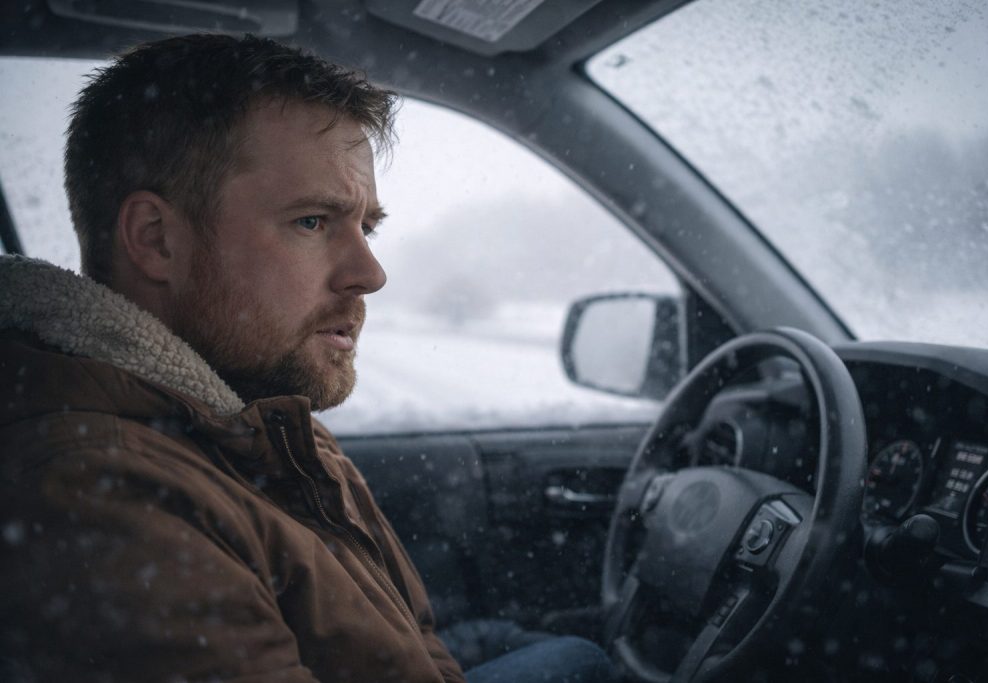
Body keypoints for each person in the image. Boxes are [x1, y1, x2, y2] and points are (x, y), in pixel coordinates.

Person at [0, 34, 611, 683]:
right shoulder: (93, 493)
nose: (370, 273)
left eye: (366, 227)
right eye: (313, 221)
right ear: (157, 241)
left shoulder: (255, 417)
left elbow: (417, 639)